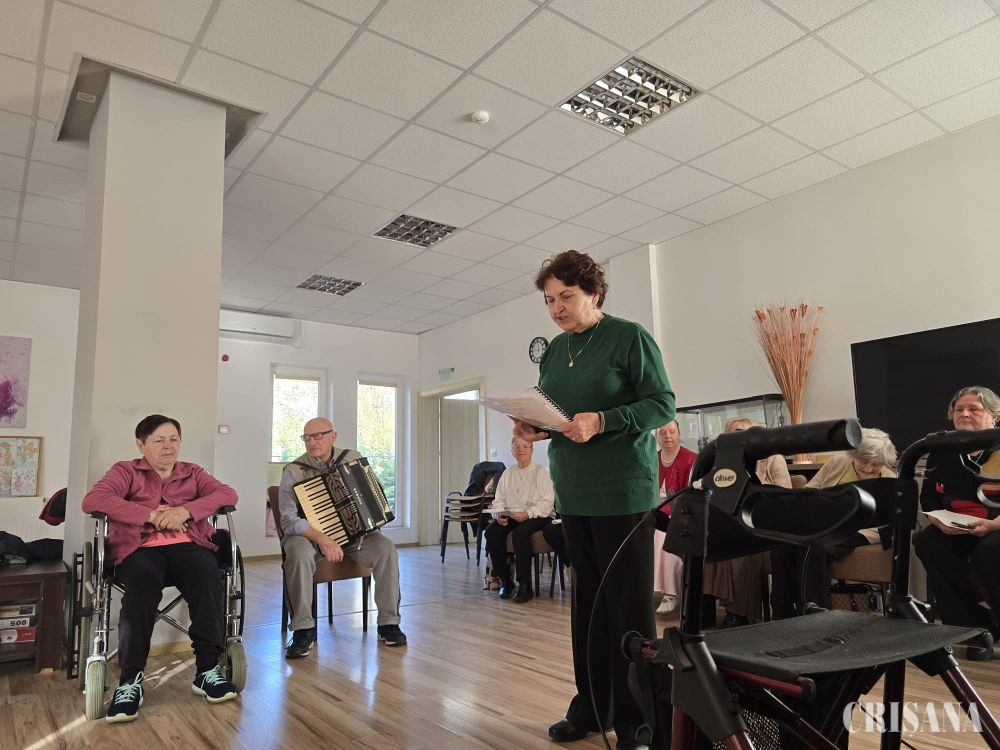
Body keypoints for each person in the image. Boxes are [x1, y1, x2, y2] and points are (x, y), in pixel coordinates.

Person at [514, 250, 674, 750]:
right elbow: (559, 417)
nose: (557, 308)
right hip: (574, 494)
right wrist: (535, 428)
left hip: (622, 492)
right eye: (549, 300)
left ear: (594, 292)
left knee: (629, 614)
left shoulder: (629, 337)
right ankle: (591, 706)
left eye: (566, 296)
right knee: (587, 609)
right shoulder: (553, 352)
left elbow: (661, 404)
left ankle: (639, 722)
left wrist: (603, 421)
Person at [81, 414, 239, 723]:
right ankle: (130, 681)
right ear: (141, 445)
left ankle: (207, 670)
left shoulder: (193, 473)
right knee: (143, 582)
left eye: (174, 439)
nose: (168, 447)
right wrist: (151, 515)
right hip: (138, 550)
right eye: (159, 441)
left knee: (208, 574)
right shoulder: (126, 471)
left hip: (188, 547)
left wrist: (185, 511)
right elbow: (94, 500)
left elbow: (227, 495)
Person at [278, 417, 406, 658]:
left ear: (333, 436)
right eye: (307, 437)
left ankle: (389, 623)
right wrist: (323, 539)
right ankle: (303, 629)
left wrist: (372, 510)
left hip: (355, 537)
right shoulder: (294, 471)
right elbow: (288, 520)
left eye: (318, 436)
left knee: (386, 547)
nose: (312, 442)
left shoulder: (352, 459)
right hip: (309, 538)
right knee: (297, 552)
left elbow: (374, 494)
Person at [769, 427, 897, 620]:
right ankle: (782, 614)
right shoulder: (838, 462)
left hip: (861, 530)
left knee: (814, 547)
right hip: (824, 524)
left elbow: (888, 523)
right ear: (854, 455)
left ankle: (816, 616)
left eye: (876, 464)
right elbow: (810, 490)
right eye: (863, 461)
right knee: (782, 543)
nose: (869, 468)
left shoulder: (889, 481)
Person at [914, 385, 1000, 660]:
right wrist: (938, 521)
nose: (964, 414)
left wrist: (994, 525)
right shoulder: (942, 450)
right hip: (959, 526)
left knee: (989, 550)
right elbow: (929, 498)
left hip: (996, 525)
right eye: (959, 409)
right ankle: (975, 631)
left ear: (994, 415)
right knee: (928, 542)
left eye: (974, 409)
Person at [703, 417, 793, 627]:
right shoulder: (721, 463)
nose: (742, 438)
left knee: (740, 549)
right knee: (705, 542)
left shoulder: (772, 458)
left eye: (746, 432)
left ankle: (738, 613)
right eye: (736, 433)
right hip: (731, 520)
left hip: (763, 524)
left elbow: (785, 496)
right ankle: (704, 609)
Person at [484, 436, 555, 603]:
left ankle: (525, 585)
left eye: (525, 446)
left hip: (539, 515)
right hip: (513, 515)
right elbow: (498, 500)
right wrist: (498, 514)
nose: (521, 450)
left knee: (520, 533)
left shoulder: (540, 472)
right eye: (517, 447)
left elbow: (547, 502)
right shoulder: (508, 473)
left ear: (531, 450)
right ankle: (505, 581)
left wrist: (528, 514)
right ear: (512, 452)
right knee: (492, 532)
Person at [651, 421, 695, 615]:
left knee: (662, 535)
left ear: (678, 434)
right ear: (657, 437)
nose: (667, 436)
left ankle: (670, 593)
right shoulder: (652, 458)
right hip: (654, 509)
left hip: (681, 512)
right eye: (663, 432)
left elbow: (690, 493)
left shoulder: (691, 458)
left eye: (671, 431)